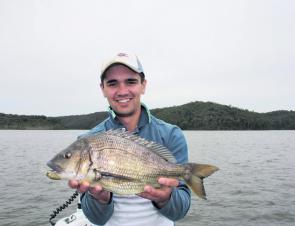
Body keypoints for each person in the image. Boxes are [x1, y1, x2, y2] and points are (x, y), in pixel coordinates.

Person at [68, 53, 191, 226]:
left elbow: (180, 212)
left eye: (131, 81)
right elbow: (96, 219)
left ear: (143, 85)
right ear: (102, 88)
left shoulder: (171, 134)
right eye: (112, 83)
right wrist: (100, 198)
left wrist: (167, 197)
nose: (122, 91)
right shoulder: (87, 141)